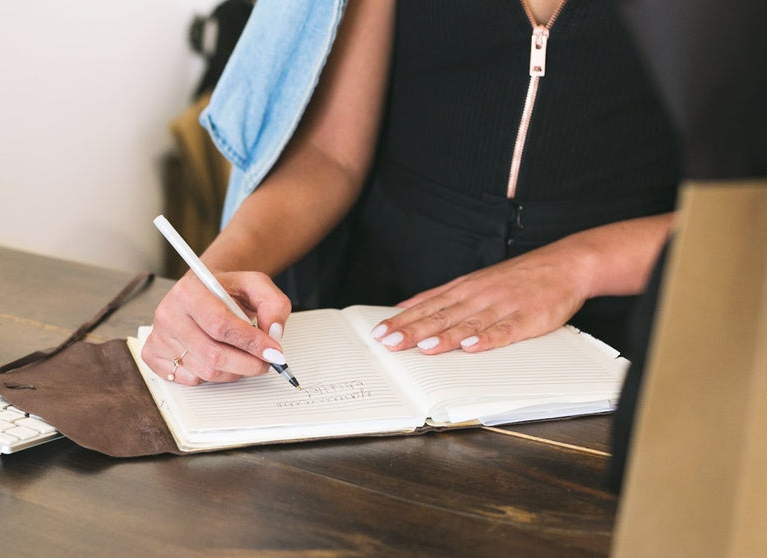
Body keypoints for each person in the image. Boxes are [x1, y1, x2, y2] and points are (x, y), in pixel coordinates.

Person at [141, 0, 679, 386]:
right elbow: (331, 157)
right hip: (379, 319)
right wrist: (214, 279)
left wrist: (577, 265)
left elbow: (748, 209)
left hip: (640, 326)